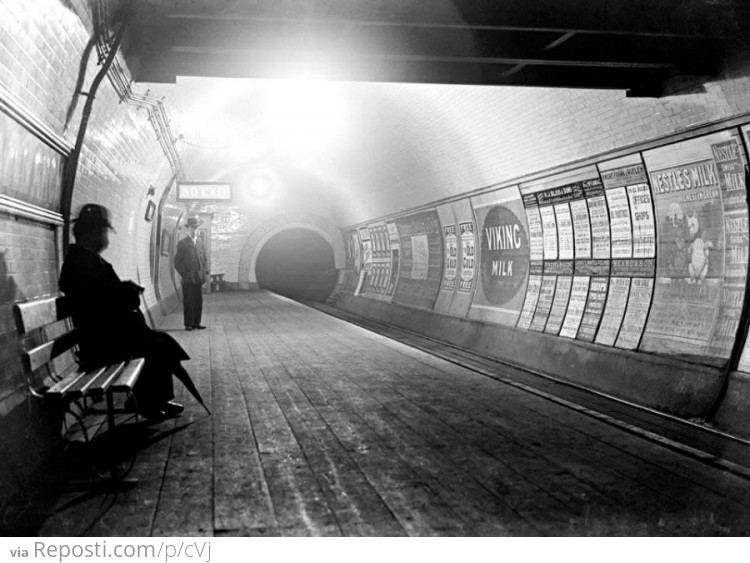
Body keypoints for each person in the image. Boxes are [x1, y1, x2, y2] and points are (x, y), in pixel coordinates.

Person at [59, 204, 188, 420]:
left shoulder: (84, 260)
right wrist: (127, 293)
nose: (105, 236)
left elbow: (104, 295)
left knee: (156, 342)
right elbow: (102, 301)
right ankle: (148, 403)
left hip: (105, 334)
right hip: (101, 342)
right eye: (103, 231)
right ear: (91, 234)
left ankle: (154, 400)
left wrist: (124, 290)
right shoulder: (82, 263)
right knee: (155, 345)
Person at [174, 216, 208, 331]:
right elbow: (177, 262)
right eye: (192, 228)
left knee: (198, 300)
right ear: (188, 229)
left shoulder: (199, 242)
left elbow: (204, 258)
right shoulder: (182, 243)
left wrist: (204, 271)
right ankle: (188, 323)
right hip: (188, 279)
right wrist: (185, 274)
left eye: (196, 228)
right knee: (189, 300)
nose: (194, 231)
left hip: (198, 277)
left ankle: (197, 322)